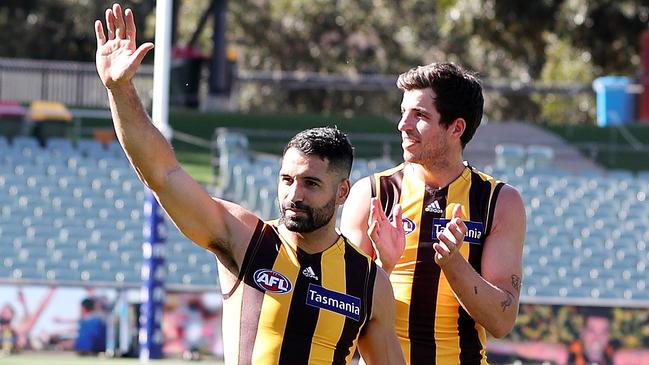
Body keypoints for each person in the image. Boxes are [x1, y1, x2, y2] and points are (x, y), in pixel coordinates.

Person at [94, 4, 404, 364]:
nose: (294, 195)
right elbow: (163, 175)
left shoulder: (369, 281)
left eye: (311, 184)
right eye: (286, 180)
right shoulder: (247, 240)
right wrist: (120, 90)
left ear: (342, 193)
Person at [340, 62, 526, 364]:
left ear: (456, 128)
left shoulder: (499, 201)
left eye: (420, 115)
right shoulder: (372, 194)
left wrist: (454, 264)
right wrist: (384, 267)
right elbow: (342, 311)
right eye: (403, 112)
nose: (403, 124)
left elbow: (501, 322)